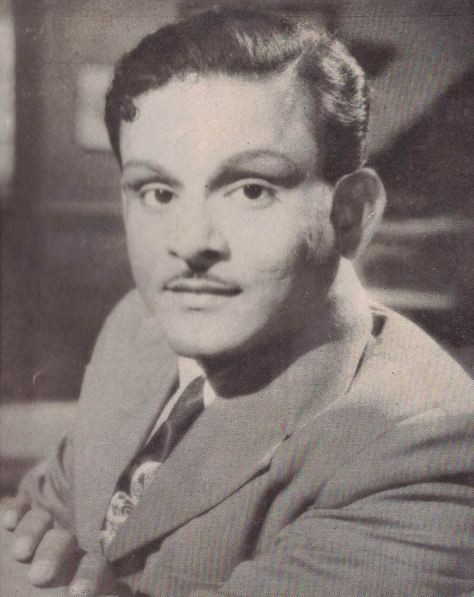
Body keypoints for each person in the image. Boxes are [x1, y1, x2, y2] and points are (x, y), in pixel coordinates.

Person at [2, 8, 472, 597]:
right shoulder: (140, 324)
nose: (190, 243)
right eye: (157, 191)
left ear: (349, 215)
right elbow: (51, 501)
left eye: (252, 188)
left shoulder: (422, 447)